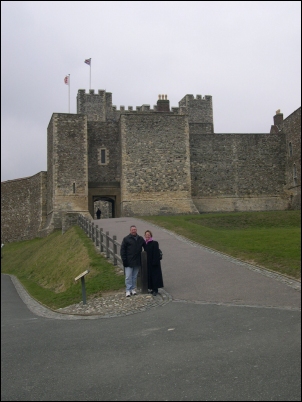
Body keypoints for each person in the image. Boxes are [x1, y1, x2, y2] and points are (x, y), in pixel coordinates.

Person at [120, 225, 145, 297]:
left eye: (135, 229)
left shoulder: (140, 239)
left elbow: (146, 246)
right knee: (128, 276)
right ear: (130, 231)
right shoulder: (126, 239)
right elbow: (123, 250)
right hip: (129, 261)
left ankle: (133, 289)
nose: (134, 231)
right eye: (132, 230)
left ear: (136, 230)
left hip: (137, 261)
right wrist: (124, 260)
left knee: (134, 276)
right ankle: (128, 289)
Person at [144, 230, 164, 296]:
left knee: (155, 276)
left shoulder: (154, 243)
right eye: (146, 235)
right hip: (148, 262)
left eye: (148, 235)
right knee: (150, 276)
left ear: (151, 235)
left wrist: (154, 262)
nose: (147, 236)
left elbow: (156, 253)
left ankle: (155, 289)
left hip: (154, 263)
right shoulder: (145, 244)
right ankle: (152, 288)